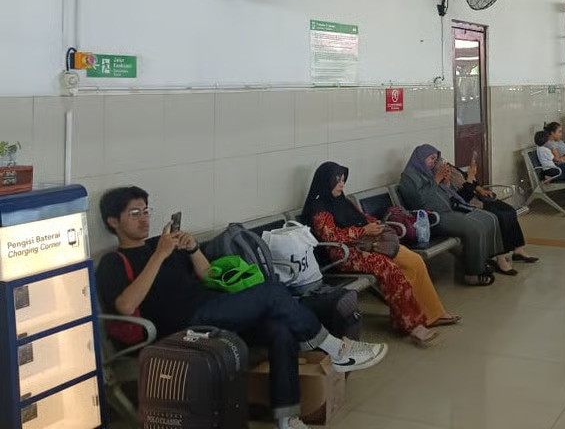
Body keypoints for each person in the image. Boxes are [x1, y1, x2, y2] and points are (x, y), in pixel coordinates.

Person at [96, 187, 387, 429]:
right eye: (134, 213)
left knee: (280, 330)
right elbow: (126, 305)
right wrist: (159, 256)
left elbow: (208, 275)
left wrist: (192, 249)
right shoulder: (113, 262)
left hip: (209, 309)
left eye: (146, 211)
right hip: (179, 327)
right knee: (273, 293)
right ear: (113, 221)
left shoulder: (161, 245)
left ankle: (286, 418)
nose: (144, 219)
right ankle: (336, 349)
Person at [300, 162, 460, 345]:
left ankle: (433, 313)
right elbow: (332, 236)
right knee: (389, 268)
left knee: (414, 261)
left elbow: (362, 218)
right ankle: (412, 324)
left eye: (343, 180)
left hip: (369, 244)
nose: (342, 185)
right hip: (344, 254)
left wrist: (375, 225)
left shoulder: (342, 201)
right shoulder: (319, 209)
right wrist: (364, 230)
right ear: (325, 182)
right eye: (337, 181)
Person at [398, 144, 511, 286]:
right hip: (432, 217)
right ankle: (472, 273)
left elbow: (441, 194)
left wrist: (445, 182)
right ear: (421, 158)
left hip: (447, 210)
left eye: (435, 159)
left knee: (488, 220)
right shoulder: (409, 177)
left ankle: (481, 262)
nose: (433, 162)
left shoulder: (428, 173)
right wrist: (436, 180)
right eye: (431, 158)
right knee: (474, 230)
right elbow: (419, 201)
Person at [445, 159, 538, 267]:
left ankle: (518, 249)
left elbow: (471, 182)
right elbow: (462, 197)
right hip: (471, 204)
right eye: (433, 159)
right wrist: (470, 176)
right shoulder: (444, 176)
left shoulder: (453, 169)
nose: (441, 162)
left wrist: (481, 190)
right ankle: (500, 257)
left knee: (510, 211)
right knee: (500, 216)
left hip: (479, 198)